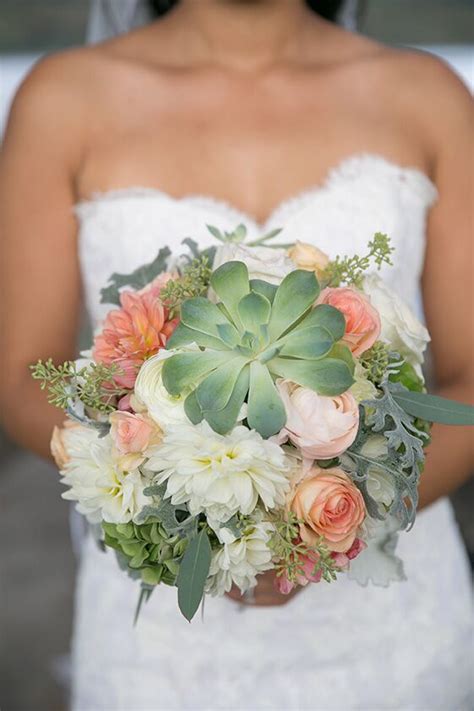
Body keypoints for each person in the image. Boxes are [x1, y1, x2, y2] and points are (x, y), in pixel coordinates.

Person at [0, 0, 472, 708]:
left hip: (397, 634)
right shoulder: (62, 98)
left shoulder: (428, 95)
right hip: (163, 655)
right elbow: (19, 378)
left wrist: (326, 526)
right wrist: (171, 502)